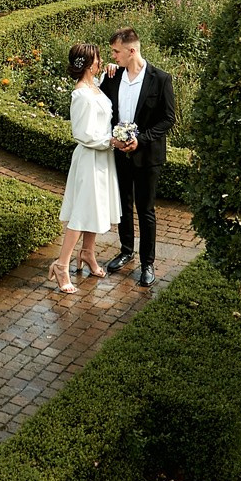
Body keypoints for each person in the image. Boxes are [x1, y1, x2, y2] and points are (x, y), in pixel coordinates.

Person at [100, 25, 176, 285]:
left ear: (132, 50)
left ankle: (148, 264)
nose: (114, 56)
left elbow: (167, 119)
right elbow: (101, 108)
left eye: (116, 52)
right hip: (120, 154)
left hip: (148, 156)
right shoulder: (112, 76)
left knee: (146, 210)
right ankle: (125, 251)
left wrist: (140, 140)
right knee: (123, 205)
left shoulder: (161, 79)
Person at [50, 41, 119, 293]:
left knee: (96, 208)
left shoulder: (95, 86)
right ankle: (61, 263)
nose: (101, 61)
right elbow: (81, 133)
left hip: (102, 158)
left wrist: (112, 68)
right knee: (81, 212)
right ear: (88, 65)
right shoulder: (80, 94)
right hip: (90, 157)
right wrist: (110, 141)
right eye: (98, 59)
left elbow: (103, 85)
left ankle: (88, 253)